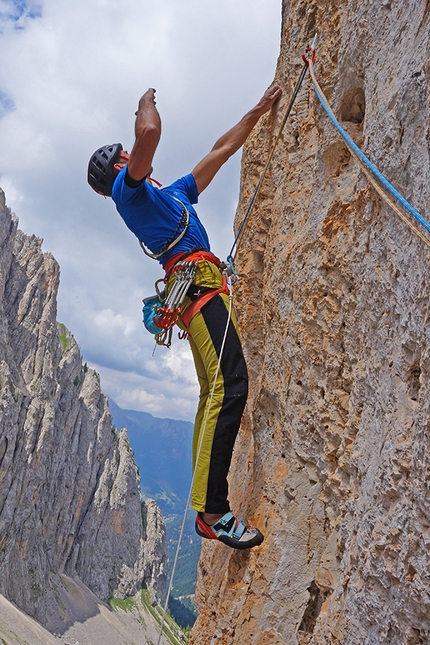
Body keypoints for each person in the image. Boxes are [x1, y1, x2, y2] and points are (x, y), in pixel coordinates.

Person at [88, 83, 282, 549]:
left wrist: (256, 111)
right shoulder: (127, 194)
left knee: (213, 390)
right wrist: (143, 103)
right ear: (118, 169)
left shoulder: (170, 194)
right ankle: (213, 511)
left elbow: (219, 151)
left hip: (200, 286)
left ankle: (207, 504)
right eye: (123, 156)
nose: (130, 157)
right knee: (230, 382)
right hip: (197, 288)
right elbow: (150, 132)